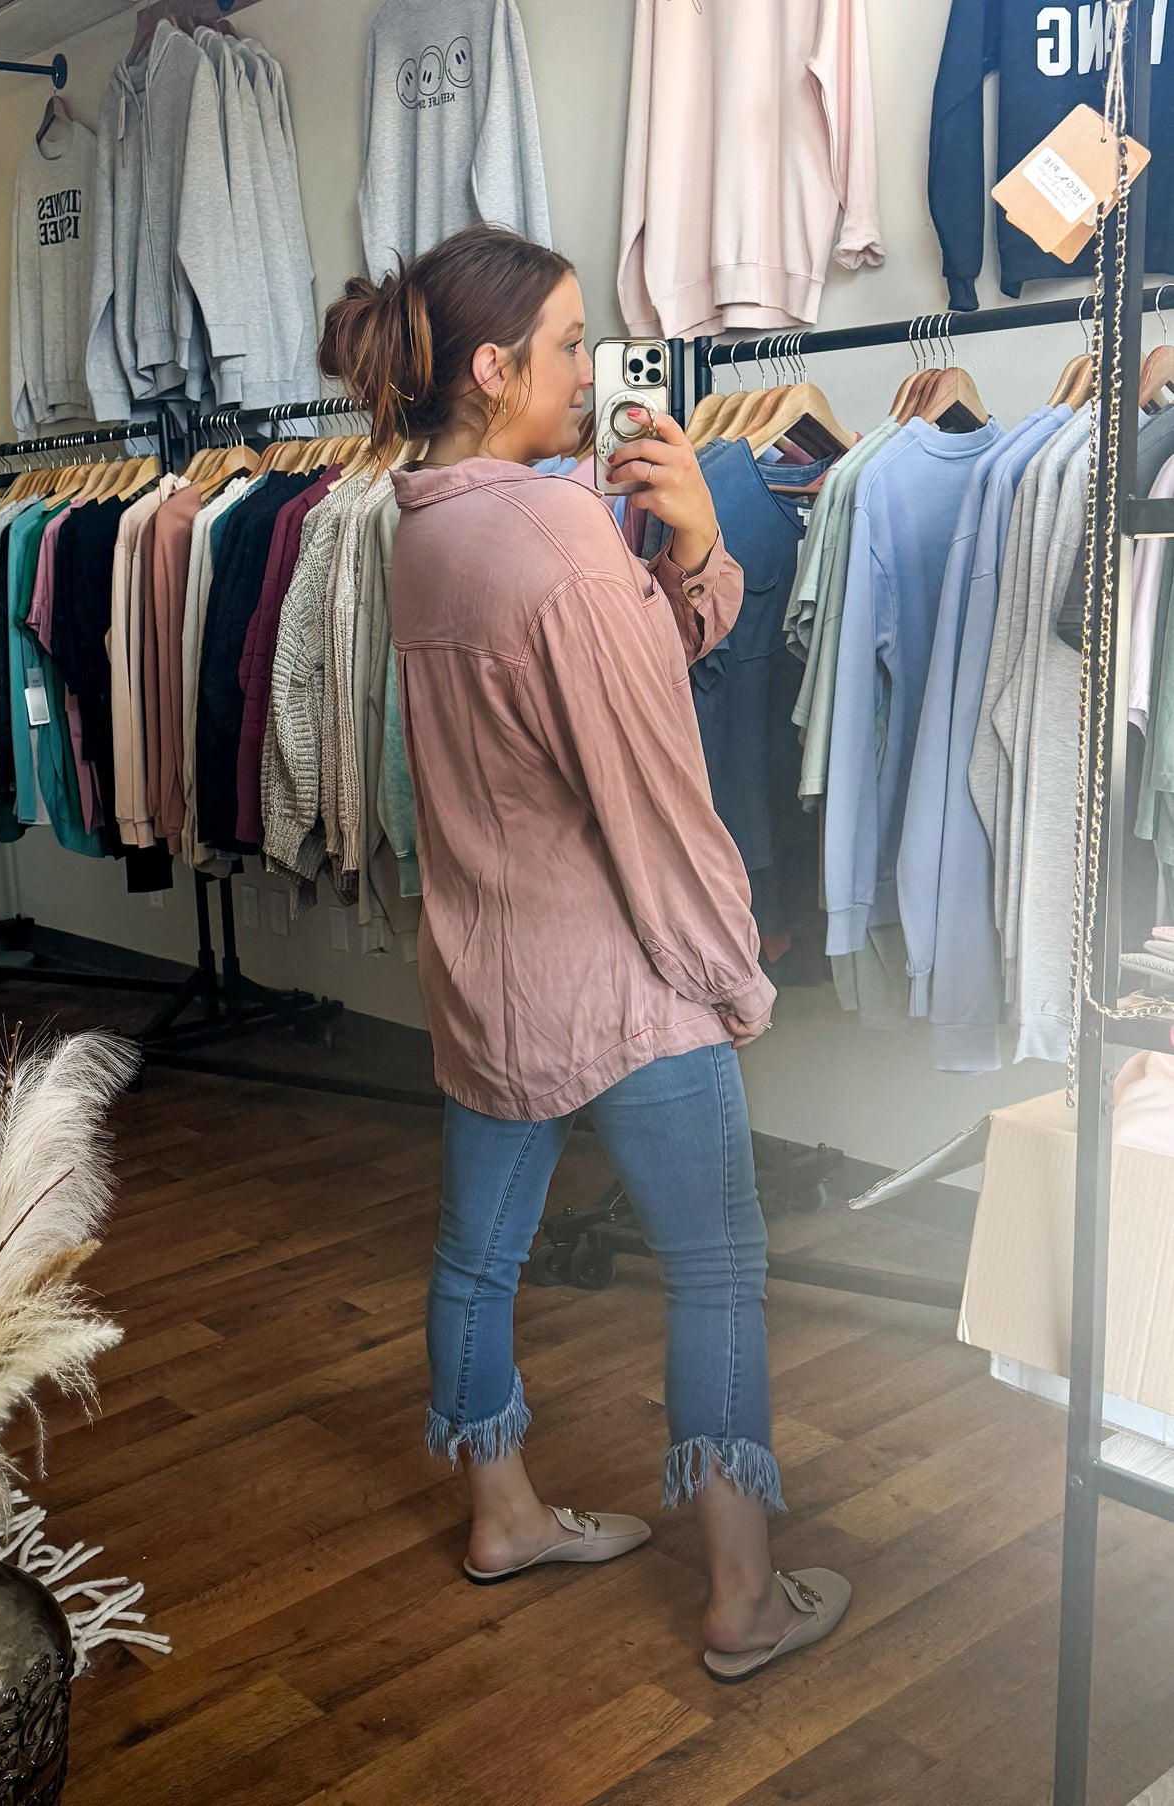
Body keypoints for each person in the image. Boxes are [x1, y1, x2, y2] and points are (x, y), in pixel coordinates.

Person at [319, 224, 850, 1682]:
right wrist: (729, 971)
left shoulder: (418, 523)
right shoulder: (549, 531)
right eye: (565, 345)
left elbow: (585, 694)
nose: (587, 371)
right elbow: (648, 789)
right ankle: (743, 1593)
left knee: (474, 1257)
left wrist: (685, 550)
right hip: (620, 978)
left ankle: (500, 1512)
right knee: (719, 1263)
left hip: (488, 966)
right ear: (492, 368)